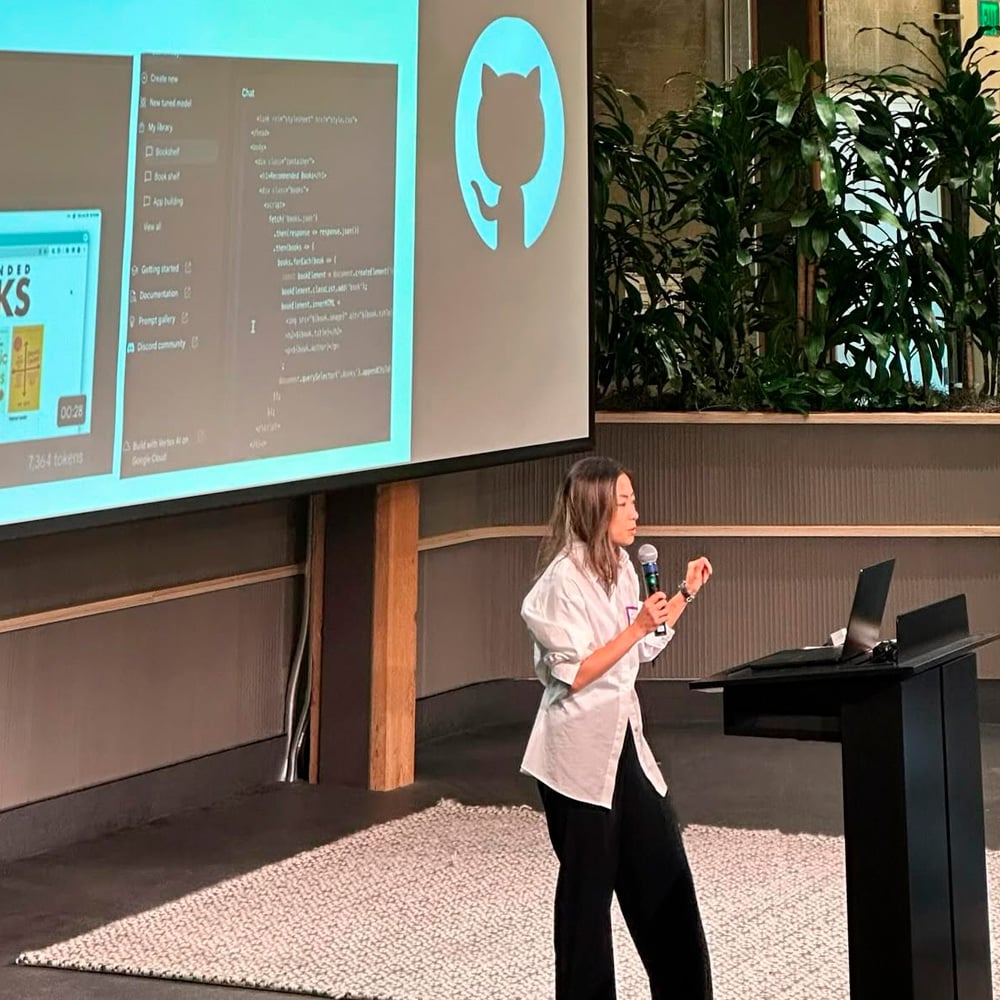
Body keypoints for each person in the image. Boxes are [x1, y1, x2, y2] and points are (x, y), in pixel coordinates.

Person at [521, 456, 713, 1000]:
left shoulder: (625, 566)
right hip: (577, 761)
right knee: (587, 905)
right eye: (624, 502)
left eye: (632, 501)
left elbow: (643, 642)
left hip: (624, 744)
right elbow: (576, 671)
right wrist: (635, 627)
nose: (635, 513)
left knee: (664, 879)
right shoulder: (559, 583)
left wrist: (683, 594)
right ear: (596, 508)